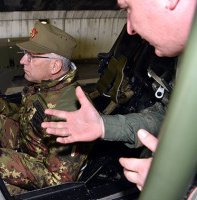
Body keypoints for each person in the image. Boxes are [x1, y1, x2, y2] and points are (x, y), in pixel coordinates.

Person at [41, 0, 197, 191]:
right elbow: (167, 117)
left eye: (129, 8)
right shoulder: (186, 62)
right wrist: (104, 126)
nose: (130, 28)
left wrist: (182, 188)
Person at [0, 21, 93, 195]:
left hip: (42, 168)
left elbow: (59, 182)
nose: (22, 60)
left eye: (31, 56)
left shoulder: (69, 111)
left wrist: (3, 161)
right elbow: (28, 114)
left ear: (55, 66)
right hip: (29, 143)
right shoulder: (43, 86)